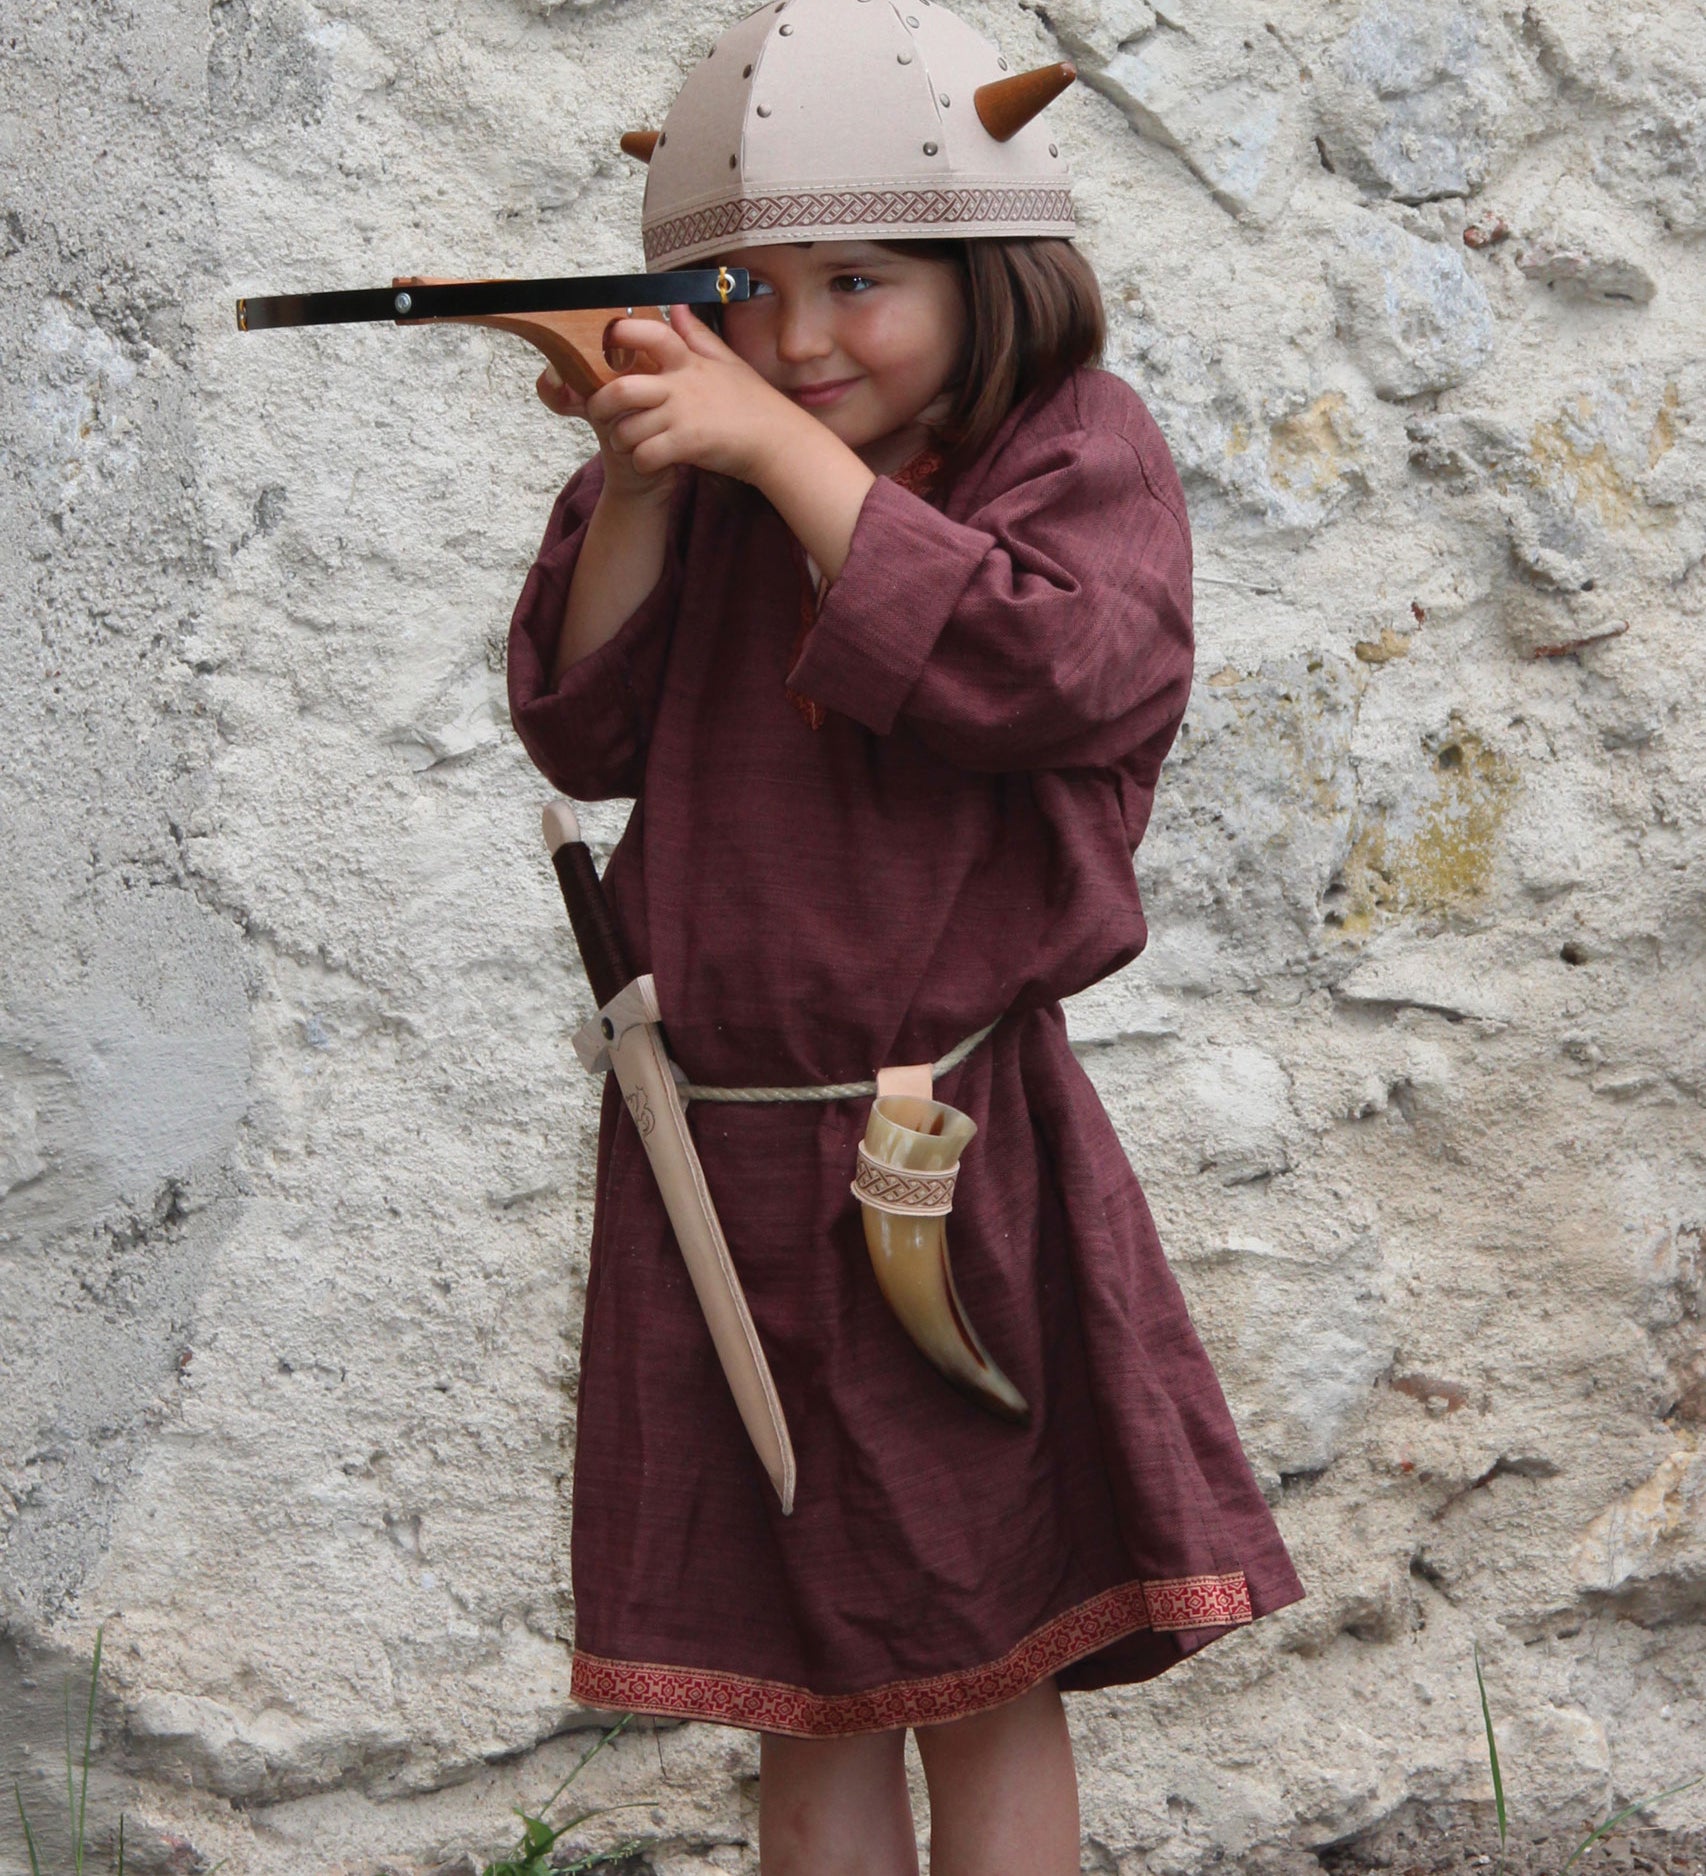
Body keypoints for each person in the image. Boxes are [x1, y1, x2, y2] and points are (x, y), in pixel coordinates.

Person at [505, 4, 1306, 1871]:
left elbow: (1042, 670)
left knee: (973, 1652)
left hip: (929, 1158)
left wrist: (779, 464)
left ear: (989, 270)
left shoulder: (1073, 451)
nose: (794, 338)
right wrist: (641, 474)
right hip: (709, 1157)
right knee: (804, 1669)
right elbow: (579, 725)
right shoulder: (713, 471)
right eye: (750, 289)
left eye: (858, 280)